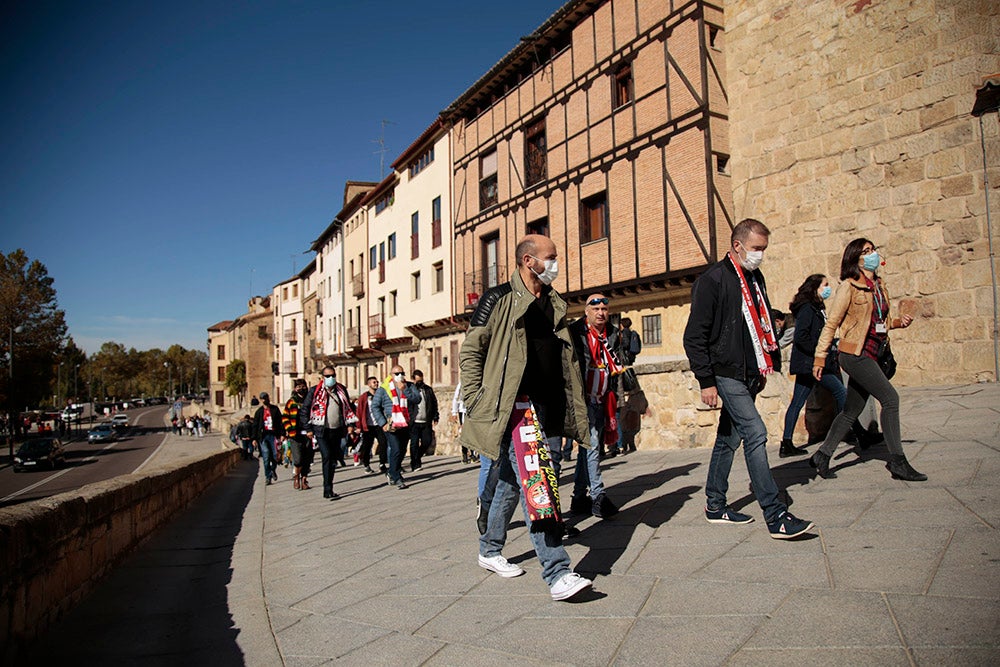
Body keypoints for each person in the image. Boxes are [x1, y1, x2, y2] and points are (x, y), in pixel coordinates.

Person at [460, 233, 593, 601]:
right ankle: (557, 571)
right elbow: (471, 352)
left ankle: (489, 548)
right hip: (515, 409)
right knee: (540, 482)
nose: (555, 263)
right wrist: (476, 399)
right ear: (527, 261)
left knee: (509, 481)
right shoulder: (497, 300)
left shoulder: (554, 303)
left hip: (549, 406)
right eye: (550, 257)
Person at [682, 218, 815, 539]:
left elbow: (760, 323)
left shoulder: (755, 278)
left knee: (730, 438)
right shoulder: (713, 280)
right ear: (738, 245)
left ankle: (715, 504)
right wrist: (706, 381)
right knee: (755, 432)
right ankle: (775, 513)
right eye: (756, 249)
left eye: (764, 249)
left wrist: (764, 366)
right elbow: (694, 336)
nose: (760, 255)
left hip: (749, 373)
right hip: (724, 372)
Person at [810, 238, 925, 481]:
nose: (872, 254)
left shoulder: (879, 285)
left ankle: (822, 455)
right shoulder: (849, 287)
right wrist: (820, 358)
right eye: (866, 251)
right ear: (856, 258)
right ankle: (898, 462)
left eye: (873, 249)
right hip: (854, 354)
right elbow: (832, 324)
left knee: (852, 409)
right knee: (890, 398)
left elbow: (877, 322)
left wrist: (896, 323)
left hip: (873, 352)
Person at [568, 293, 622, 519]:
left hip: (603, 397)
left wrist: (616, 396)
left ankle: (579, 496)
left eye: (604, 310)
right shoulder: (575, 332)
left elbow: (616, 366)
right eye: (596, 309)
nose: (601, 313)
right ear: (586, 312)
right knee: (591, 446)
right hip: (584, 399)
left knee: (586, 448)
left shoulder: (612, 334)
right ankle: (599, 496)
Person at [299, 366, 357, 500]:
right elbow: (304, 411)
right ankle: (327, 488)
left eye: (333, 375)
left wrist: (351, 425)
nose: (331, 378)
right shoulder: (315, 391)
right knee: (327, 456)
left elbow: (348, 408)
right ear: (322, 378)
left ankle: (330, 486)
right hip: (321, 430)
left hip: (337, 429)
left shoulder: (341, 390)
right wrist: (308, 429)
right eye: (328, 376)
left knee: (333, 460)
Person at [370, 365, 421, 489]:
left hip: (406, 423)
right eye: (396, 373)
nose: (399, 375)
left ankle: (392, 472)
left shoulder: (409, 386)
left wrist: (405, 390)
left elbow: (417, 399)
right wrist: (383, 423)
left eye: (402, 373)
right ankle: (397, 476)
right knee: (396, 449)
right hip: (391, 424)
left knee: (402, 450)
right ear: (391, 375)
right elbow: (375, 406)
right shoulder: (384, 389)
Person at [283, 378, 313, 490]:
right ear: (295, 389)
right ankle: (296, 476)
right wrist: (289, 429)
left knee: (307, 459)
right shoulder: (291, 402)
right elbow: (285, 417)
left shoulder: (310, 401)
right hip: (295, 435)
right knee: (298, 459)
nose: (301, 388)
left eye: (303, 386)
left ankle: (304, 479)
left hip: (308, 434)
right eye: (299, 386)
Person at [408, 370, 439, 472]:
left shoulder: (428, 390)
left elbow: (434, 403)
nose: (420, 383)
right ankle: (415, 464)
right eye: (418, 381)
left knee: (427, 441)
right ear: (413, 379)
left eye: (421, 380)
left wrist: (435, 416)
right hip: (414, 421)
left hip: (426, 421)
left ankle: (417, 457)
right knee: (414, 443)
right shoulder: (410, 390)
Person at [252, 392, 285, 485]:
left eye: (265, 398)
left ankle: (273, 469)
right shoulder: (259, 412)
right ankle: (268, 476)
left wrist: (282, 434)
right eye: (262, 399)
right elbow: (255, 425)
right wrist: (254, 439)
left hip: (274, 435)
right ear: (261, 400)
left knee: (275, 456)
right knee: (266, 457)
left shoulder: (275, 409)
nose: (264, 400)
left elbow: (280, 422)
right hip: (263, 437)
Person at [355, 376, 385, 475]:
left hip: (379, 424)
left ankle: (382, 464)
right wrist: (358, 426)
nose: (376, 383)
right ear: (369, 384)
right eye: (373, 382)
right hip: (367, 425)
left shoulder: (381, 395)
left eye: (377, 382)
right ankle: (366, 465)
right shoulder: (364, 397)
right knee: (367, 446)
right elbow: (359, 411)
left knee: (383, 443)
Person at [451, 382, 478, 464]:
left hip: (473, 410)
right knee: (465, 432)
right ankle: (465, 454)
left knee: (473, 433)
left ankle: (473, 454)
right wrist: (454, 412)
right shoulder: (461, 383)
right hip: (463, 411)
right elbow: (456, 398)